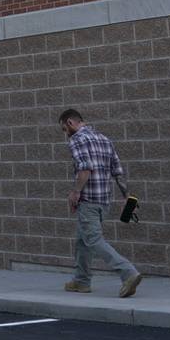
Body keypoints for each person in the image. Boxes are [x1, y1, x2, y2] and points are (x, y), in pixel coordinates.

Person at [59, 108, 142, 298]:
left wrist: (75, 193)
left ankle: (128, 272)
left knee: (93, 240)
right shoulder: (104, 139)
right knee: (83, 240)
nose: (65, 133)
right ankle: (81, 281)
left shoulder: (77, 140)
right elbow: (118, 171)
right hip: (104, 201)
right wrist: (127, 198)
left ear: (70, 123)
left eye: (64, 129)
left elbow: (85, 169)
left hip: (88, 200)